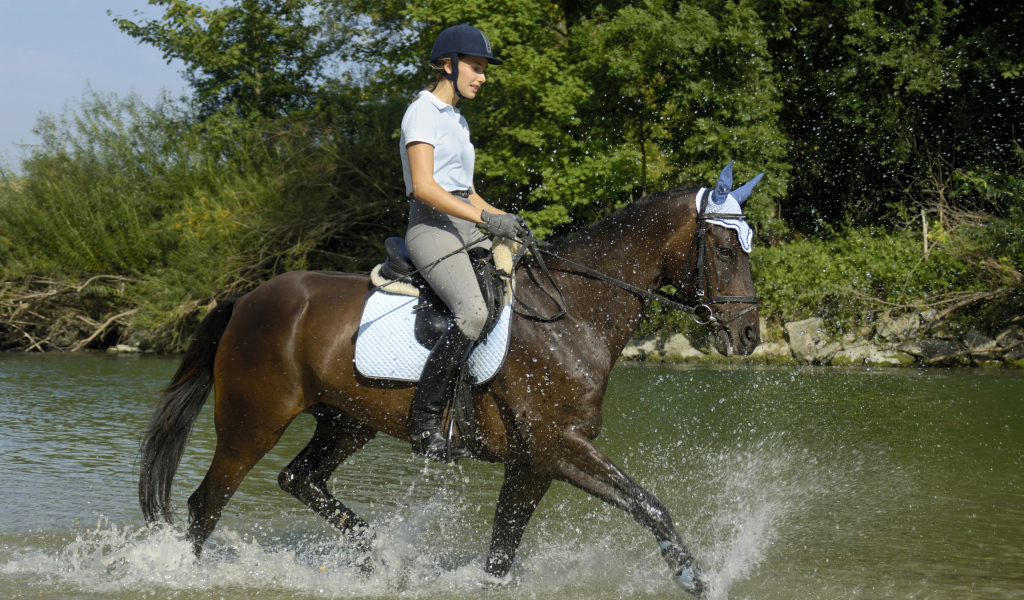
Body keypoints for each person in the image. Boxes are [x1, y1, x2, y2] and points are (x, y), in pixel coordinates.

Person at [400, 24, 524, 460]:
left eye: (484, 69)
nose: (482, 77)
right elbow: (424, 187)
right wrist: (486, 219)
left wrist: (505, 220)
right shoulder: (423, 111)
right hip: (432, 227)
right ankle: (424, 423)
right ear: (448, 65)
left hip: (466, 223)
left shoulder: (457, 119)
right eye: (476, 67)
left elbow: (466, 192)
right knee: (472, 313)